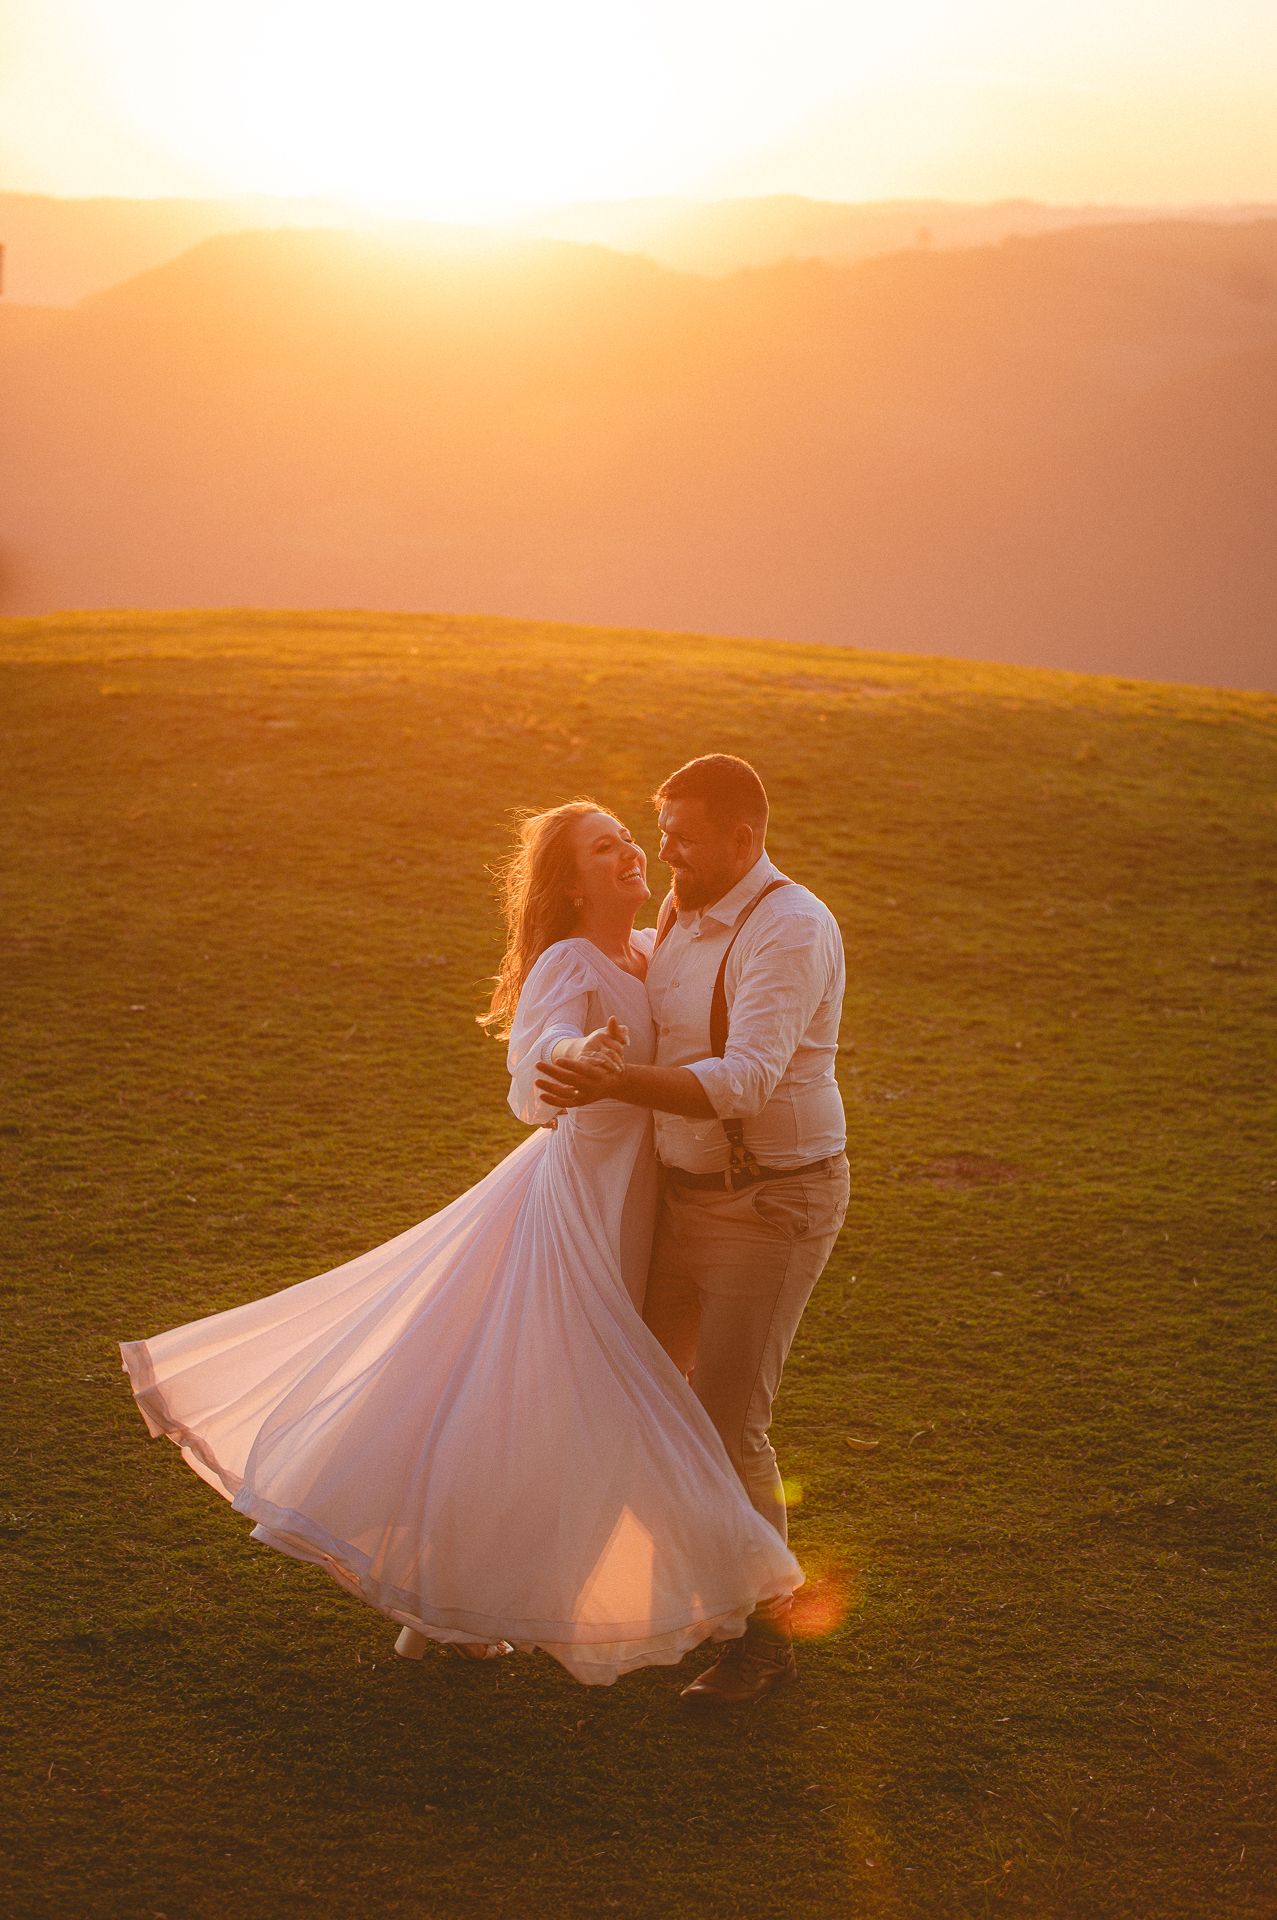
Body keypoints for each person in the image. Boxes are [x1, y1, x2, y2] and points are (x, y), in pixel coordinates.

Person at [119, 799, 800, 1687]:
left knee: (531, 1416)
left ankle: (444, 1612)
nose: (631, 852)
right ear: (569, 880)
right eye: (605, 848)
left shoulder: (649, 947)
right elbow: (531, 1074)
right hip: (582, 1219)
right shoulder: (569, 961)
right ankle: (744, 1594)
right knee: (603, 1409)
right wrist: (571, 1061)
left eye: (629, 838)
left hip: (644, 1210)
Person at [536, 755, 850, 1707]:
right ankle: (621, 1596)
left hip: (769, 1202)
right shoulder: (676, 911)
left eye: (682, 834)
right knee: (629, 1388)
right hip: (680, 1199)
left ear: (744, 839)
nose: (660, 848)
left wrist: (610, 1083)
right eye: (656, 827)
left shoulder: (789, 928)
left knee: (725, 1424)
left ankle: (767, 1642)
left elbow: (746, 1079)